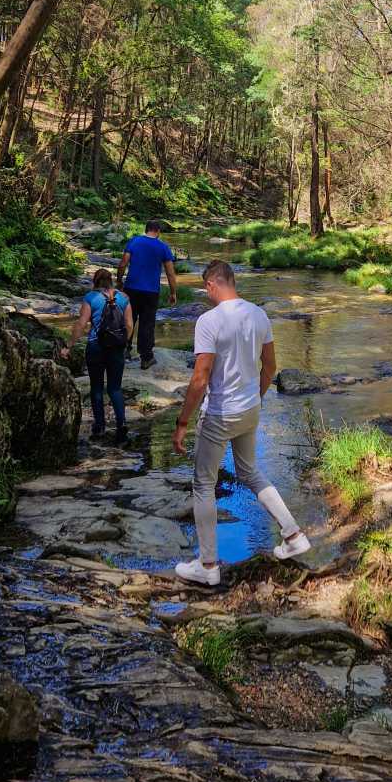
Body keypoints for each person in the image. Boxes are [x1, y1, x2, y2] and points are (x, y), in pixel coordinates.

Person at [172, 260, 310, 586]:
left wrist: (182, 422)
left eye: (206, 289)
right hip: (249, 408)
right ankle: (293, 535)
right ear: (233, 281)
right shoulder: (259, 315)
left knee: (204, 484)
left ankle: (207, 567)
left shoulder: (208, 321)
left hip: (220, 413)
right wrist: (257, 398)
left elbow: (200, 378)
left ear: (211, 285)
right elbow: (270, 366)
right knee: (250, 472)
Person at [62, 268, 133, 443]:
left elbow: (81, 324)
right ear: (111, 281)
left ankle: (99, 426)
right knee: (115, 388)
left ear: (95, 281)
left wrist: (68, 346)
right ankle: (121, 423)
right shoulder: (124, 299)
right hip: (116, 348)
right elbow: (129, 325)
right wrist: (124, 343)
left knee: (97, 388)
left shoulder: (90, 298)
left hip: (96, 346)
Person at [116, 220, 178, 370]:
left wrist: (119, 281)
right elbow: (170, 273)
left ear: (146, 229)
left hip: (131, 288)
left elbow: (123, 263)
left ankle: (124, 351)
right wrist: (173, 292)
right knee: (147, 323)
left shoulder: (134, 241)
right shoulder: (163, 247)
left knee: (128, 319)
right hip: (151, 291)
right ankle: (146, 358)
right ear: (158, 231)